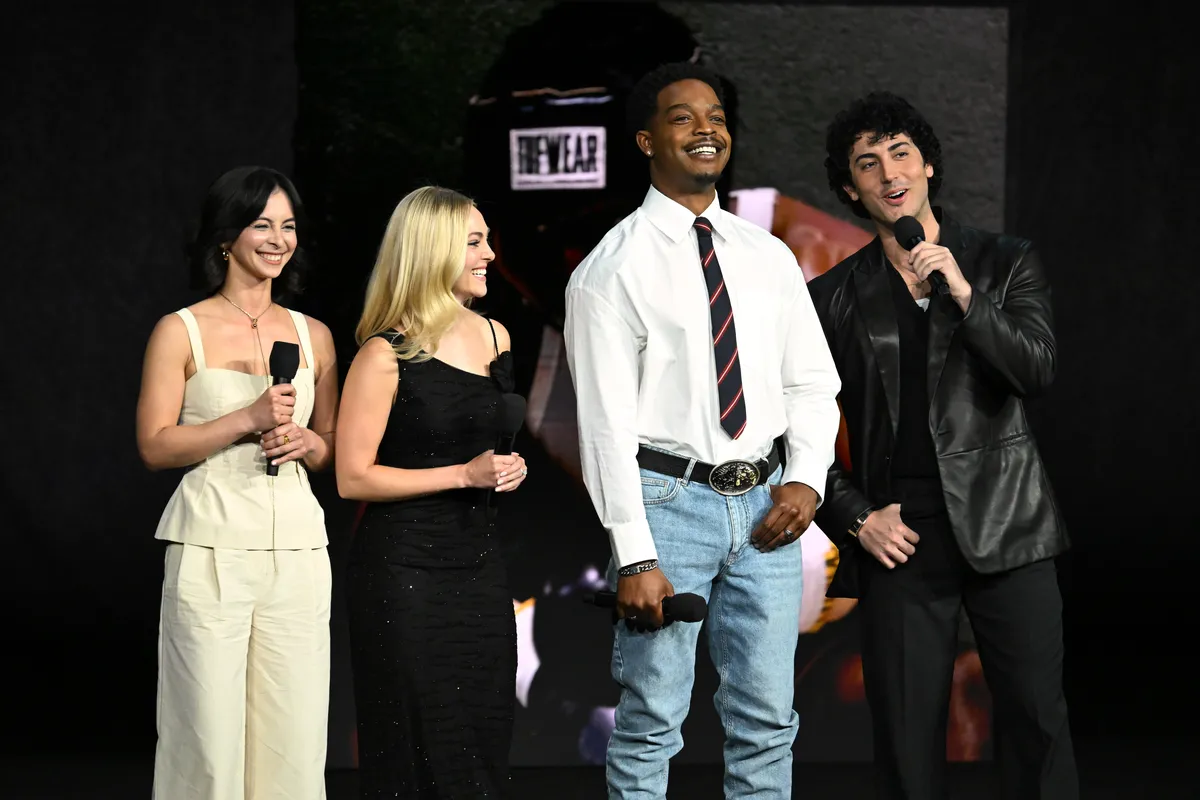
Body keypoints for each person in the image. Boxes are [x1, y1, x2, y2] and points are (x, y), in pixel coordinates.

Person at [563, 63, 842, 799]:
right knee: (653, 718)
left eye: (715, 114)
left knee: (766, 718)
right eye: (683, 117)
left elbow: (811, 381)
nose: (706, 128)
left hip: (767, 509)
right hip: (666, 504)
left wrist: (807, 478)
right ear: (647, 140)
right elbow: (602, 429)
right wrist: (633, 555)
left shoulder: (765, 255)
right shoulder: (609, 270)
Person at [809, 91, 1076, 799]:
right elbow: (790, 428)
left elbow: (1036, 369)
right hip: (901, 536)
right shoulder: (832, 296)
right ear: (849, 187)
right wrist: (856, 515)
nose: (889, 173)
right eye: (868, 163)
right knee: (903, 738)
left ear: (929, 164)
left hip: (1007, 522)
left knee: (1035, 723)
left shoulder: (1004, 260)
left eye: (901, 153)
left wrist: (964, 293)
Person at [136, 166, 339, 799]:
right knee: (206, 736)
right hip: (210, 548)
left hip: (298, 553)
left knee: (295, 736)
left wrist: (309, 444)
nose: (279, 239)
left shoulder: (315, 336)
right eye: (262, 225)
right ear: (227, 237)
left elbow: (332, 445)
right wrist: (244, 420)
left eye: (288, 226)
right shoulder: (180, 329)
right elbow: (154, 445)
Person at [335, 186, 529, 797]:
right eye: (474, 242)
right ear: (431, 250)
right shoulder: (384, 352)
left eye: (488, 240)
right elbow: (351, 476)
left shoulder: (496, 336)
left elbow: (486, 444)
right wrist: (462, 475)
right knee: (417, 739)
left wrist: (505, 470)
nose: (490, 254)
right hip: (403, 572)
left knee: (482, 727)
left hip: (478, 567)